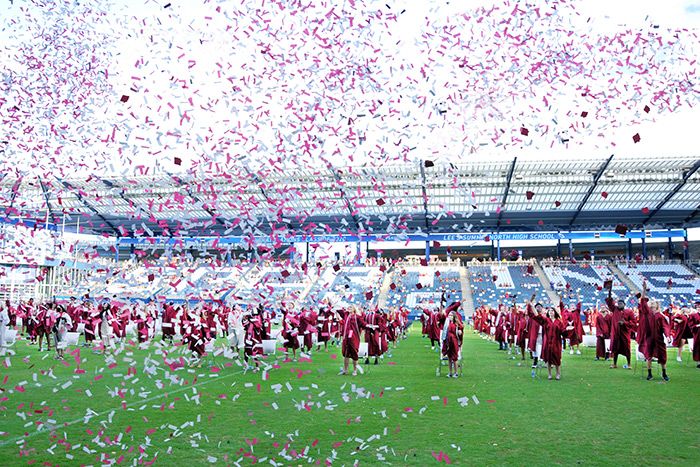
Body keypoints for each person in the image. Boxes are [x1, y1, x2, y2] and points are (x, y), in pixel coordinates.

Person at [638, 281, 671, 381]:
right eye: (650, 305)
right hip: (649, 339)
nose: (651, 307)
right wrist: (644, 289)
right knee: (649, 356)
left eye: (653, 306)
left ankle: (664, 373)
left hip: (659, 339)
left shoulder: (660, 316)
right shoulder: (647, 313)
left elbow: (665, 327)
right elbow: (643, 300)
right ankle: (649, 374)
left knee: (662, 357)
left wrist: (668, 336)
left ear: (657, 307)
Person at [605, 286, 636, 369]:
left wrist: (624, 323)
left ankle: (629, 364)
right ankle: (614, 364)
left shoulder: (629, 312)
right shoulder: (615, 310)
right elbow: (609, 302)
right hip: (616, 333)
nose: (619, 305)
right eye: (618, 303)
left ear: (624, 304)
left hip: (625, 333)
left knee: (627, 348)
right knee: (615, 349)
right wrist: (609, 291)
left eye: (621, 303)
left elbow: (633, 323)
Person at [340, 306, 365, 376]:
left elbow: (363, 324)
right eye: (349, 307)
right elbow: (338, 311)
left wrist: (371, 327)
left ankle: (355, 370)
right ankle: (345, 370)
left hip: (354, 338)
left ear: (354, 309)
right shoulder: (346, 315)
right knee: (345, 354)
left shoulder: (357, 317)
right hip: (346, 338)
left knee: (354, 354)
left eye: (351, 307)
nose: (349, 308)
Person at [442, 309, 464, 378]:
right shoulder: (447, 323)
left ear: (454, 316)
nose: (450, 316)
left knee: (455, 358)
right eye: (449, 315)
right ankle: (450, 372)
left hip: (454, 342)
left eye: (451, 315)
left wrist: (460, 332)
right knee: (449, 358)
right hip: (448, 342)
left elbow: (460, 332)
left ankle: (456, 373)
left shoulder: (457, 324)